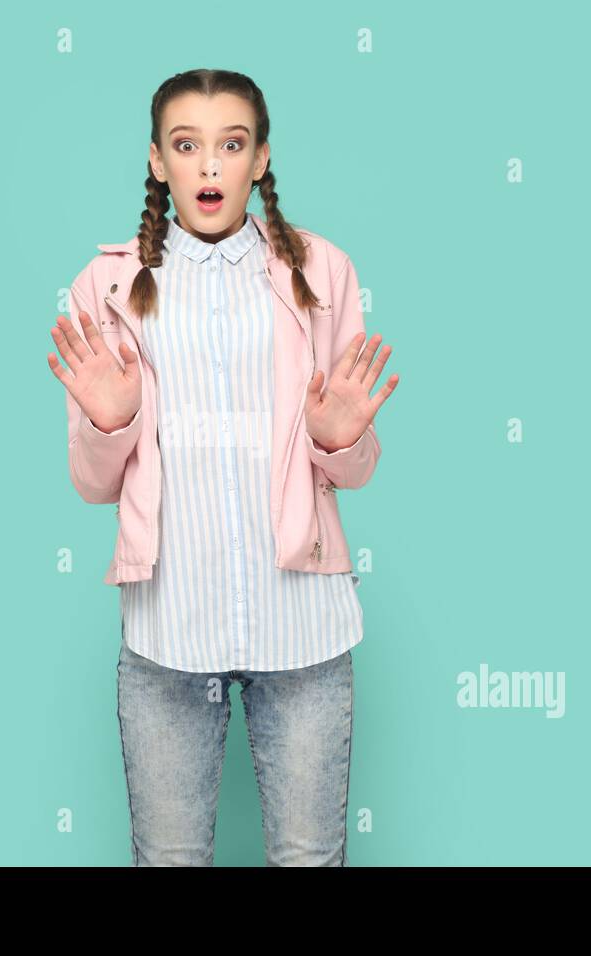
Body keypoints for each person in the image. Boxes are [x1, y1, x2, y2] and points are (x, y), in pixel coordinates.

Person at [46, 68, 399, 866]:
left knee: (310, 860)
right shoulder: (104, 286)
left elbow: (356, 469)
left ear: (261, 159)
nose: (210, 166)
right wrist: (112, 421)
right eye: (187, 144)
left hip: (304, 631)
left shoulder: (323, 272)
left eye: (231, 145)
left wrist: (340, 437)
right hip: (169, 637)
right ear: (156, 161)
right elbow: (93, 482)